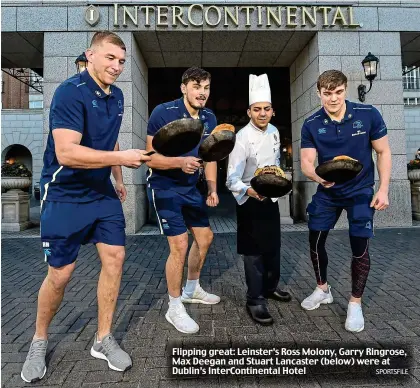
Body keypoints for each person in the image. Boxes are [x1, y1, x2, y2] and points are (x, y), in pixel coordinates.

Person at [21, 31, 152, 383]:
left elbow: (109, 140)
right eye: (110, 58)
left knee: (116, 258)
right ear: (90, 55)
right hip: (64, 194)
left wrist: (119, 177)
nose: (117, 66)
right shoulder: (69, 93)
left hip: (101, 194)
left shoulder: (119, 96)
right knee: (61, 276)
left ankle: (103, 338)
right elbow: (67, 152)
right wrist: (121, 158)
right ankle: (38, 339)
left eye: (122, 61)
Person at [300, 70, 391, 332]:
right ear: (319, 94)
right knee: (315, 240)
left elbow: (383, 151)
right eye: (327, 93)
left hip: (360, 190)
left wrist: (383, 189)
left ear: (345, 90)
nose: (333, 98)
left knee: (358, 245)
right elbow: (306, 162)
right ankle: (322, 289)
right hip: (328, 191)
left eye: (338, 92)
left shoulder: (368, 114)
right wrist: (318, 177)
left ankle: (354, 303)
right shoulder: (312, 123)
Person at [146, 67, 220, 334]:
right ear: (184, 88)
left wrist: (212, 188)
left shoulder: (209, 117)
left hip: (192, 189)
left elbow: (210, 156)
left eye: (206, 87)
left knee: (206, 238)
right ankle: (174, 306)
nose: (202, 93)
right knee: (179, 244)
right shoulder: (163, 112)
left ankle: (191, 288)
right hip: (164, 187)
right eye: (197, 86)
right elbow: (149, 157)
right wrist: (179, 162)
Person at [226, 74, 291, 326]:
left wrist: (278, 181)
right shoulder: (241, 138)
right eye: (257, 109)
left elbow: (275, 164)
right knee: (253, 252)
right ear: (249, 111)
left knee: (272, 248)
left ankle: (270, 287)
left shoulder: (274, 132)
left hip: (271, 199)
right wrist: (251, 192)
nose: (262, 113)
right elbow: (231, 179)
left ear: (272, 111)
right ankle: (255, 299)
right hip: (250, 200)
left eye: (266, 109)